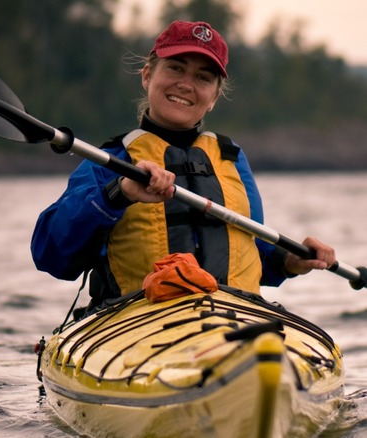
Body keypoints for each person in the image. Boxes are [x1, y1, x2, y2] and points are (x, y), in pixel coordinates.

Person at [30, 20, 335, 309]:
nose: (186, 84)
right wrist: (118, 193)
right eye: (176, 68)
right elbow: (52, 256)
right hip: (137, 318)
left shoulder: (231, 158)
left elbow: (249, 254)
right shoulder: (112, 160)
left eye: (203, 77)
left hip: (232, 315)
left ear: (214, 96)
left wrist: (289, 262)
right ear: (147, 75)